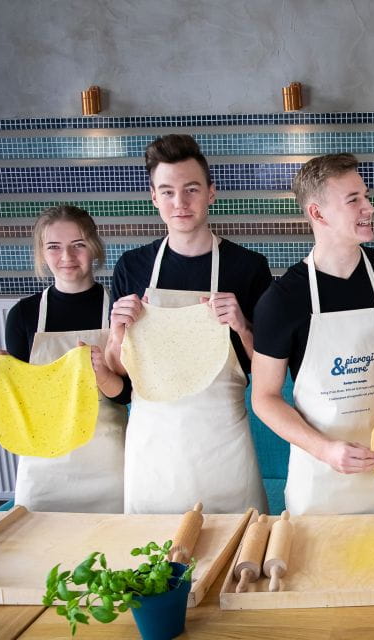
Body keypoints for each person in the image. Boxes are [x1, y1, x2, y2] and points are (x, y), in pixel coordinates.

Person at [251, 153, 374, 515]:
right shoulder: (281, 299)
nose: (370, 207)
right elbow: (265, 398)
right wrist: (325, 450)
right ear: (318, 214)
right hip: (320, 481)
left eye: (365, 195)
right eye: (354, 200)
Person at [105, 134, 270, 514]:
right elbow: (117, 374)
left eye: (191, 189)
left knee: (235, 557)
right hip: (152, 448)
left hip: (222, 443)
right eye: (167, 192)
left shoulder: (247, 266)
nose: (179, 203)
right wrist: (117, 336)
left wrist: (242, 326)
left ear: (211, 193)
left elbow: (268, 371)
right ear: (154, 198)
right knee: (153, 563)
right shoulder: (132, 267)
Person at [0, 205, 128, 512]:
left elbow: (129, 395)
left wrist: (104, 374)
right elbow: (19, 402)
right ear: (42, 252)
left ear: (94, 247)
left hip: (107, 464)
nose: (66, 257)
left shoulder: (117, 309)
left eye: (78, 245)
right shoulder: (23, 315)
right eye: (54, 247)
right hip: (43, 467)